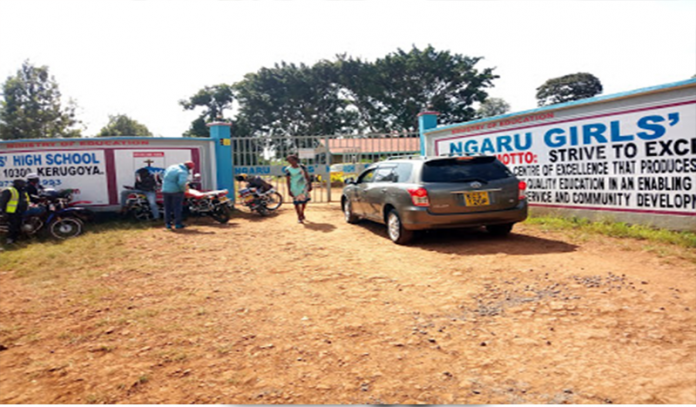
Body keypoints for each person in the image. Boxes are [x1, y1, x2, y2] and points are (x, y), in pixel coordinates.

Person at [161, 160, 194, 230]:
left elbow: (163, 176)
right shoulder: (183, 172)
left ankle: (168, 224)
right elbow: (181, 183)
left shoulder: (171, 167)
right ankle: (178, 224)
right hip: (176, 191)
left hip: (165, 190)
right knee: (177, 208)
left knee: (167, 208)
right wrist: (183, 189)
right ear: (189, 168)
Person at [0, 179, 30, 245]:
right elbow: (2, 202)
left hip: (20, 211)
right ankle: (10, 239)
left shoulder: (22, 191)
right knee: (13, 226)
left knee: (19, 225)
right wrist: (3, 212)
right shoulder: (9, 190)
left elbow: (26, 199)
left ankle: (17, 238)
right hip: (11, 212)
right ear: (17, 183)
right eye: (22, 183)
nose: (23, 185)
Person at [284, 155, 312, 223]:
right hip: (294, 187)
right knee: (296, 203)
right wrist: (289, 190)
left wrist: (310, 184)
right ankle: (299, 216)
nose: (291, 162)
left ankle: (302, 212)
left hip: (303, 186)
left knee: (304, 201)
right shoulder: (288, 169)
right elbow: (288, 180)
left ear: (296, 160)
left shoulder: (302, 167)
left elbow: (307, 176)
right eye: (289, 161)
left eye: (292, 160)